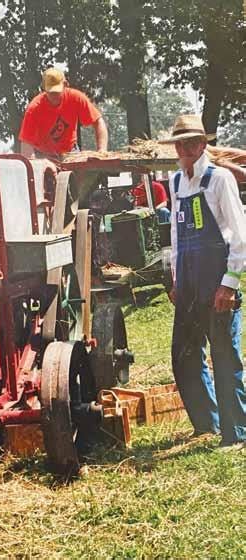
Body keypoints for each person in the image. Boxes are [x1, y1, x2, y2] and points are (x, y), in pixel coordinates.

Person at [160, 114, 246, 449]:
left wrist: (229, 284)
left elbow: (240, 237)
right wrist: (177, 279)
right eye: (180, 143)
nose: (186, 148)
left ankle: (235, 433)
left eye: (192, 142)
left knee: (224, 353)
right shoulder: (176, 183)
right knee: (183, 353)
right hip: (190, 281)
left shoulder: (219, 179)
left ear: (203, 144)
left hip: (217, 276)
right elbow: (176, 236)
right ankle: (207, 424)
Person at [19, 67, 108, 160]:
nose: (54, 96)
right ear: (44, 88)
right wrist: (31, 162)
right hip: (44, 155)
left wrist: (102, 150)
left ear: (65, 84)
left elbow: (98, 121)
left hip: (70, 152)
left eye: (57, 92)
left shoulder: (76, 98)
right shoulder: (34, 108)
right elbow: (26, 142)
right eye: (51, 92)